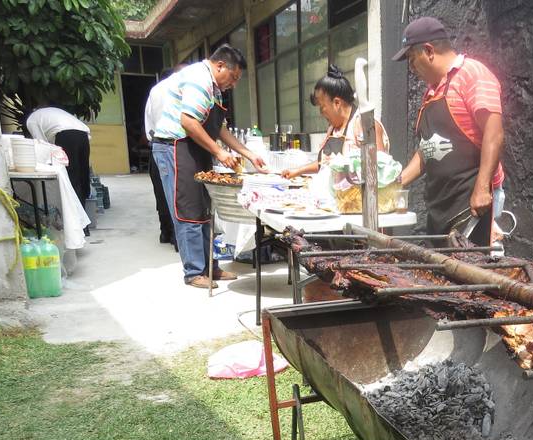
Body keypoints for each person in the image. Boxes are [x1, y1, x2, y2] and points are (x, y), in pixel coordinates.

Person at [150, 45, 267, 289]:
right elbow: (189, 121)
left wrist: (248, 153)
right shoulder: (199, 79)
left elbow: (220, 128)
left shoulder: (215, 88)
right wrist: (219, 152)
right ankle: (194, 272)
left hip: (194, 148)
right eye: (233, 77)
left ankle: (210, 267)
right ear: (220, 65)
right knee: (188, 209)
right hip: (175, 146)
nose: (233, 84)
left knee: (204, 208)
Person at [393, 17, 505, 246]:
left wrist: (482, 189)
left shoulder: (472, 74)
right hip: (439, 208)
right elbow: (427, 149)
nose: (412, 69)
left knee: (470, 275)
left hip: (470, 206)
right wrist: (396, 183)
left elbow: (494, 134)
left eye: (412, 60)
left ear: (429, 50)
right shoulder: (431, 92)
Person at [280, 64, 390, 180]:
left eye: (322, 107)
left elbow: (380, 172)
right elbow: (323, 163)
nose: (321, 113)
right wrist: (297, 171)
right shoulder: (333, 129)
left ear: (337, 103)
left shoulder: (365, 125)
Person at [144, 64, 187, 248]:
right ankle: (178, 239)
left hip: (156, 144)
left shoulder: (155, 90)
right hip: (176, 144)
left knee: (163, 193)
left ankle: (166, 232)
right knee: (179, 194)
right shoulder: (182, 87)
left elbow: (149, 120)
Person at [26, 106, 92, 207]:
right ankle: (84, 213)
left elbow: (41, 144)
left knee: (71, 176)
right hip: (83, 133)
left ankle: (76, 217)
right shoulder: (48, 112)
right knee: (83, 173)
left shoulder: (31, 121)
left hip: (65, 134)